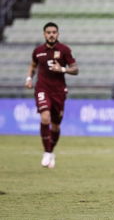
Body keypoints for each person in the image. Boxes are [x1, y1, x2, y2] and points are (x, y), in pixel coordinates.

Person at [25, 22, 78, 168]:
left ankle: (51, 150)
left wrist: (62, 69)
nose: (51, 34)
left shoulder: (65, 50)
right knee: (45, 116)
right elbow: (33, 65)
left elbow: (75, 69)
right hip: (42, 88)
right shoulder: (38, 51)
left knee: (55, 127)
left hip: (59, 92)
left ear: (58, 34)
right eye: (48, 32)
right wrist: (29, 78)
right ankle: (47, 152)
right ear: (44, 34)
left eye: (54, 32)